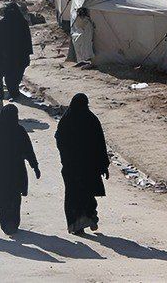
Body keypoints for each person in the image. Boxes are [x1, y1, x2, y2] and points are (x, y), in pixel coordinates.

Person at [55, 93, 110, 235]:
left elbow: (59, 140)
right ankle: (90, 216)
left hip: (71, 167)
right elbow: (100, 144)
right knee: (87, 194)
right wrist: (103, 165)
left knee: (73, 196)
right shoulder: (91, 120)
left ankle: (77, 225)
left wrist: (66, 158)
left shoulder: (66, 120)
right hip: (89, 167)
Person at [0, 104, 40, 236]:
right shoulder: (19, 130)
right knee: (15, 198)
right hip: (17, 171)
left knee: (3, 197)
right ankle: (13, 223)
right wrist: (35, 166)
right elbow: (28, 150)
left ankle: (6, 224)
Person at [0, 1, 33, 100]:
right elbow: (27, 40)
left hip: (7, 57)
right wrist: (28, 53)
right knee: (16, 75)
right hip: (20, 56)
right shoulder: (22, 22)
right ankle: (14, 92)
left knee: (9, 76)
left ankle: (13, 92)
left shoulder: (2, 24)